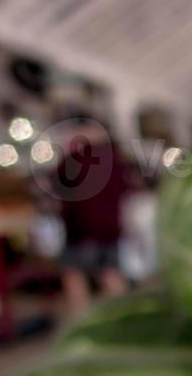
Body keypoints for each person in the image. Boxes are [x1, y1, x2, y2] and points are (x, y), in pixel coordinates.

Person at [50, 112, 138, 315]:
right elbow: (127, 190)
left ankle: (82, 322)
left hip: (81, 231)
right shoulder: (116, 160)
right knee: (111, 274)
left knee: (75, 276)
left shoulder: (72, 161)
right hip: (111, 229)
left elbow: (59, 192)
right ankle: (123, 319)